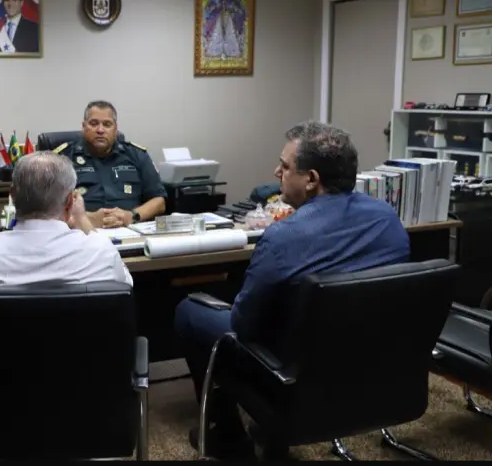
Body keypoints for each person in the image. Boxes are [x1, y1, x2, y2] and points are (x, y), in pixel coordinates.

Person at [174, 120, 411, 459]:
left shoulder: (283, 237)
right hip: (370, 371)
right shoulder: (387, 218)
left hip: (292, 377)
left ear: (311, 179)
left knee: (190, 312)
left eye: (284, 167)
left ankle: (227, 435)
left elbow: (244, 325)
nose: (276, 172)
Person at [0, 151, 132, 288]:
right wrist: (82, 220)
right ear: (70, 201)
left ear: (13, 197)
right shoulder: (101, 253)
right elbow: (125, 288)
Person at [53, 100, 167, 229]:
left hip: (130, 231)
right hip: (80, 232)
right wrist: (85, 218)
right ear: (84, 126)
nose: (100, 130)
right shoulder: (62, 158)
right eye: (94, 124)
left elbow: (159, 201)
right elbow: (47, 207)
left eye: (107, 124)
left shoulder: (136, 155)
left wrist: (132, 216)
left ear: (115, 129)